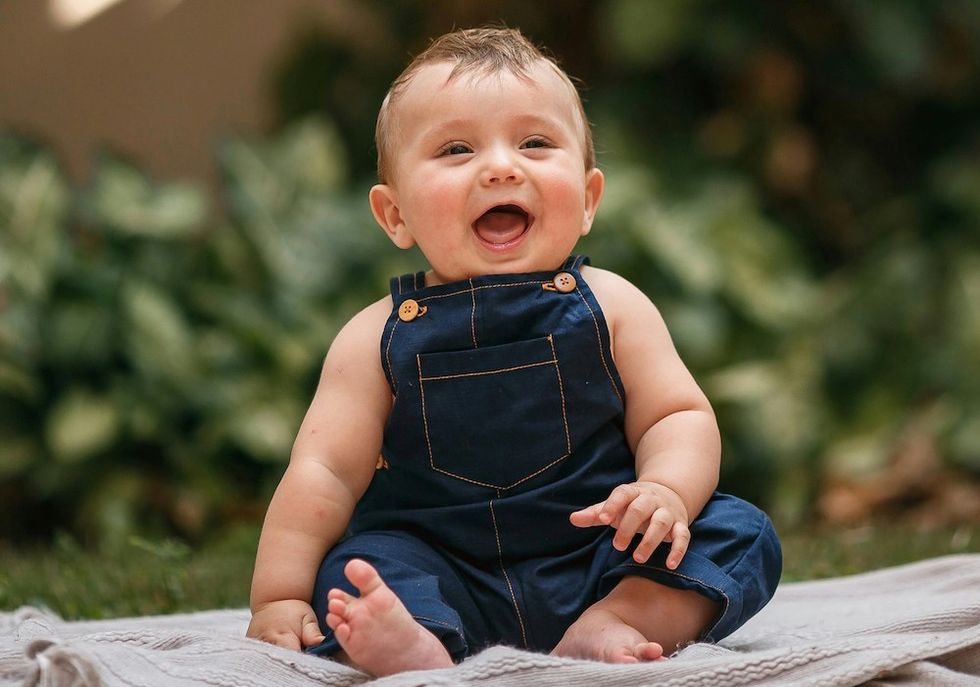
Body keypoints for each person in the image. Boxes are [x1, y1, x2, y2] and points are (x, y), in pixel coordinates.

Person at [246, 26, 782, 677]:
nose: (502, 166)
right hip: (442, 570)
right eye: (456, 149)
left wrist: (665, 488)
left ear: (587, 199)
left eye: (534, 142)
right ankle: (419, 645)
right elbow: (323, 472)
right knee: (357, 570)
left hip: (596, 559)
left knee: (740, 531)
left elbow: (677, 414)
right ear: (395, 216)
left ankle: (622, 618)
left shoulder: (612, 306)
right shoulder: (375, 336)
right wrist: (277, 594)